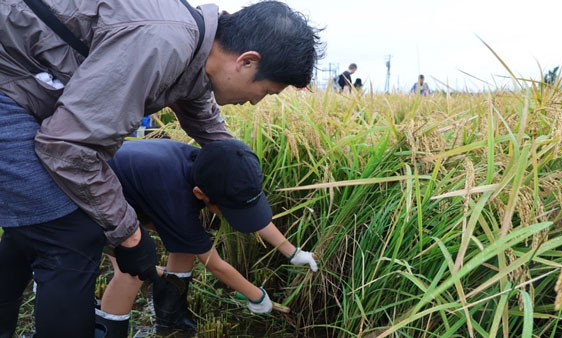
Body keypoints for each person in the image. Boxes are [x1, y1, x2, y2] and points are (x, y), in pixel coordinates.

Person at [0, 0, 322, 336]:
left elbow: (213, 133)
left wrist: (241, 173)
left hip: (30, 88)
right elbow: (67, 146)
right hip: (9, 81)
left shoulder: (195, 54)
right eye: (266, 91)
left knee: (33, 230)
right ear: (246, 61)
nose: (257, 101)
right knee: (71, 237)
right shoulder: (163, 42)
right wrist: (130, 236)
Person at [94, 138, 318, 336]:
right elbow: (215, 264)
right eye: (229, 210)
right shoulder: (179, 199)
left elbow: (253, 216)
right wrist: (256, 296)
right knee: (131, 272)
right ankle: (108, 332)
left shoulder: (215, 167)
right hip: (95, 194)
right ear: (200, 194)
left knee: (185, 248)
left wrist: (293, 252)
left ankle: (171, 320)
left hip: (139, 190)